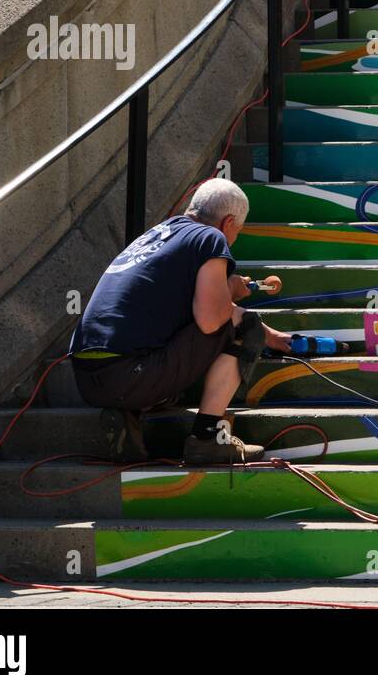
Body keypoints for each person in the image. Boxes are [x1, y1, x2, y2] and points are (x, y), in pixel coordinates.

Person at [68, 179, 293, 464]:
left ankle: (128, 413)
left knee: (188, 327)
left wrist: (271, 336)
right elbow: (213, 321)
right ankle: (206, 439)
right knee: (245, 326)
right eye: (237, 233)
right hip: (131, 374)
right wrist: (232, 293)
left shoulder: (156, 235)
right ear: (228, 222)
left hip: (89, 379)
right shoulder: (210, 239)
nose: (233, 241)